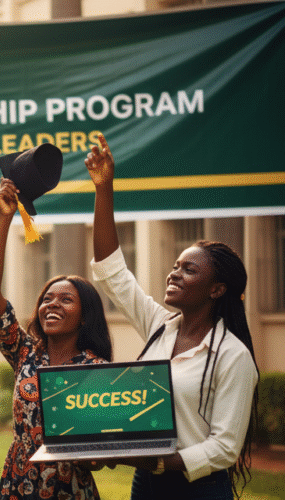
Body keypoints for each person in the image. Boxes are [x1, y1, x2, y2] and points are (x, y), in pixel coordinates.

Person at [86, 134, 259, 499]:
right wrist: (104, 190)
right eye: (176, 265)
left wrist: (162, 461)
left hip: (198, 490)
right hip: (145, 485)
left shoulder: (232, 356)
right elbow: (112, 273)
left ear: (217, 289)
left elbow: (225, 447)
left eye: (189, 270)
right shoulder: (159, 327)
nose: (174, 273)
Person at [0, 178, 113, 499]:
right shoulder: (25, 352)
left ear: (84, 314)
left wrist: (96, 456)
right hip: (19, 482)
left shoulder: (96, 369)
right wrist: (4, 219)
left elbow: (102, 452)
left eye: (65, 300)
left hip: (69, 487)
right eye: (47, 299)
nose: (52, 305)